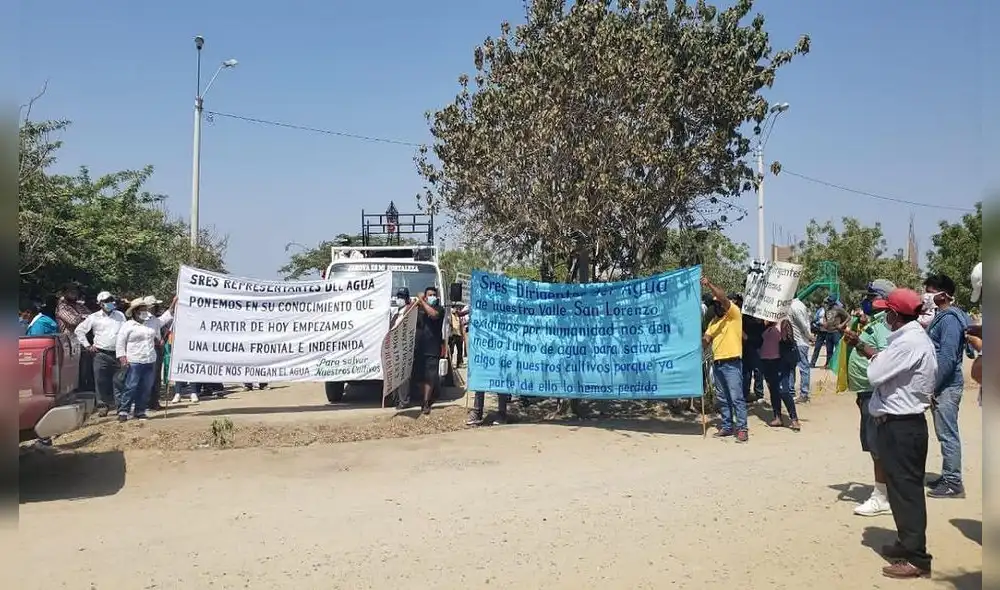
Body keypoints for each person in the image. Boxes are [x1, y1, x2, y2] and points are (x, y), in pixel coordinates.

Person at [857, 288, 937, 579]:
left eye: (886, 311)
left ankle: (917, 558)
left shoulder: (909, 342)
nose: (884, 315)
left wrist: (872, 356)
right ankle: (906, 544)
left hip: (902, 426)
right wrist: (875, 354)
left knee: (907, 493)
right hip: (899, 424)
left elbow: (875, 375)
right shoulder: (908, 339)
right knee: (901, 490)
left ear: (895, 314)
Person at [841, 285, 893, 517]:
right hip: (867, 392)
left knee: (878, 447)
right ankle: (885, 492)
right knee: (875, 445)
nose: (867, 301)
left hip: (875, 392)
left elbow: (885, 357)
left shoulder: (883, 325)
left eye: (871, 297)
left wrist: (858, 343)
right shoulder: (873, 322)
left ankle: (882, 496)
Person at [923, 274, 969, 499]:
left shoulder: (949, 319)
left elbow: (948, 358)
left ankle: (953, 482)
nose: (927, 295)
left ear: (942, 294)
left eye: (930, 290)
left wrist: (933, 386)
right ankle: (948, 474)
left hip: (947, 386)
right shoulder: (942, 317)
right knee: (944, 432)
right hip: (943, 385)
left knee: (947, 434)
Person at [702, 277, 748, 442]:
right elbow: (706, 340)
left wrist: (709, 285)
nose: (718, 305)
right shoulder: (714, 322)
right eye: (715, 304)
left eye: (720, 303)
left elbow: (722, 296)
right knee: (722, 398)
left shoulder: (734, 314)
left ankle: (742, 428)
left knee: (736, 397)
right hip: (718, 364)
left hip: (732, 363)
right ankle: (727, 426)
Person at [74, 291, 127, 416]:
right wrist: (87, 345)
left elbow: (125, 331)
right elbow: (79, 331)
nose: (110, 303)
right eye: (107, 301)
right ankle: (103, 406)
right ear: (100, 304)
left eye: (111, 300)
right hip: (101, 354)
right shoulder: (93, 317)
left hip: (118, 352)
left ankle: (121, 407)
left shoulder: (120, 315)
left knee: (119, 381)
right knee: (100, 381)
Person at [115, 299, 163, 421]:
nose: (144, 312)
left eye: (145, 309)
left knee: (146, 387)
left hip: (150, 359)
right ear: (135, 312)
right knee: (130, 386)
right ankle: (123, 411)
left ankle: (140, 411)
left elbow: (156, 337)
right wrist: (122, 357)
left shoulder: (153, 323)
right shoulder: (128, 325)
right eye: (142, 310)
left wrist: (159, 341)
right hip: (134, 360)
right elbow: (120, 342)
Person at [759, 319, 800, 430]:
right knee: (773, 390)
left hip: (780, 361)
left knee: (784, 391)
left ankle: (794, 418)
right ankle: (777, 417)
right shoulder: (763, 325)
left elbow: (788, 340)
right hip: (766, 361)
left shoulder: (783, 322)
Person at [410, 286, 445, 414]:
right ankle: (424, 397)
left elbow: (433, 315)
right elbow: (407, 314)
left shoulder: (439, 309)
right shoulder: (420, 309)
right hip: (419, 348)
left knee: (430, 377)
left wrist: (422, 301)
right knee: (418, 376)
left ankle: (426, 402)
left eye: (433, 295)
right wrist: (416, 303)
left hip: (432, 348)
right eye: (429, 295)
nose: (431, 297)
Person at [739, 297, 766, 404]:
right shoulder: (744, 313)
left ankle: (759, 394)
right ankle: (745, 393)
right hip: (746, 345)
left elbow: (763, 326)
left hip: (758, 344)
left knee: (758, 370)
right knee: (746, 371)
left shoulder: (761, 311)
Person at [787, 298, 813, 403]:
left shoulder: (794, 307)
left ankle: (804, 393)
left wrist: (809, 336)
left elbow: (803, 324)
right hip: (799, 341)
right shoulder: (801, 305)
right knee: (792, 367)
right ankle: (791, 392)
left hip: (799, 341)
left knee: (803, 367)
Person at [811, 296, 849, 368]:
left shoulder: (838, 309)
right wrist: (825, 323)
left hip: (836, 332)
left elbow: (848, 317)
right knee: (829, 350)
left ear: (834, 302)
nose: (828, 303)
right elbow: (825, 317)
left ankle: (839, 365)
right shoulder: (827, 309)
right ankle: (828, 364)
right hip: (828, 332)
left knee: (838, 349)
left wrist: (841, 325)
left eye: (830, 301)